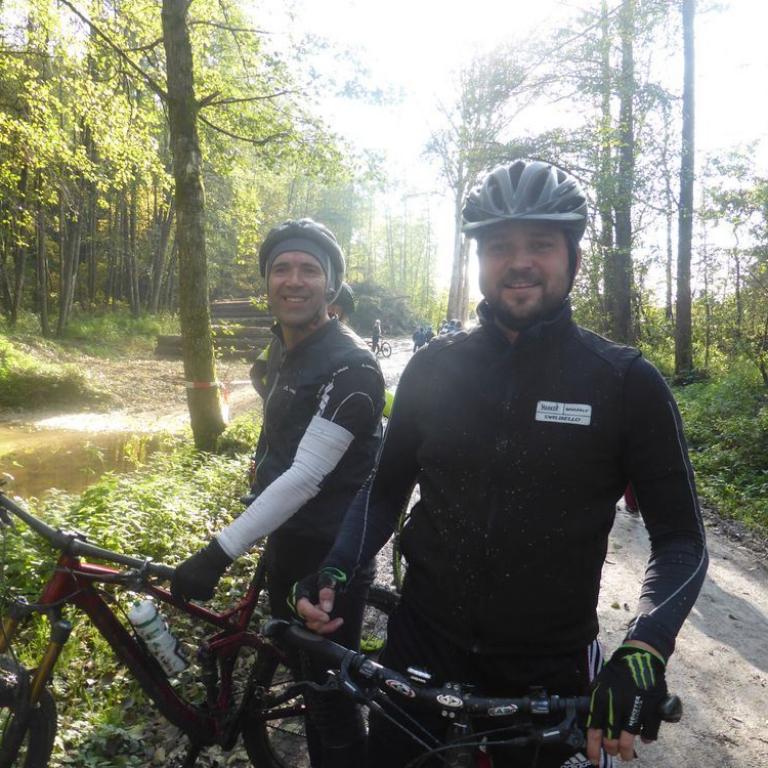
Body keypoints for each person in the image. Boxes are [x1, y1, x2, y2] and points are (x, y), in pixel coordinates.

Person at [294, 160, 708, 768]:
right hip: (420, 649)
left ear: (573, 257)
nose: (519, 262)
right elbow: (384, 492)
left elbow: (681, 541)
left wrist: (645, 645)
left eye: (540, 244)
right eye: (498, 246)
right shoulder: (432, 368)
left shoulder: (626, 383)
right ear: (478, 260)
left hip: (549, 669)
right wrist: (334, 566)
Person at [171, 218, 385, 767]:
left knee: (330, 696)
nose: (294, 280)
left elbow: (307, 475)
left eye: (309, 269)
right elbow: (281, 435)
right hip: (288, 536)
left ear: (331, 285)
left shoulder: (352, 367)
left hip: (331, 552)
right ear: (266, 281)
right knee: (307, 680)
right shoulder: (283, 346)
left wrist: (217, 552)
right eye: (281, 269)